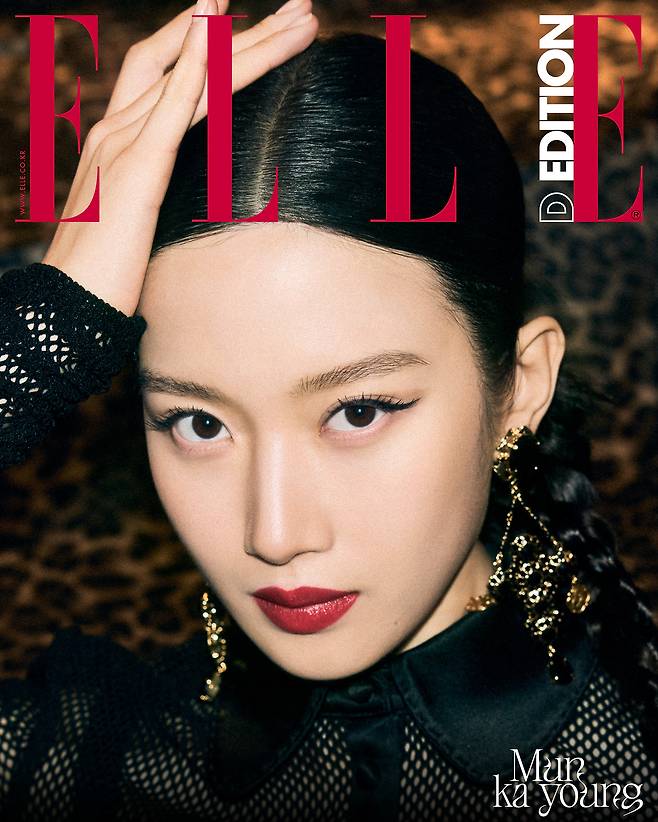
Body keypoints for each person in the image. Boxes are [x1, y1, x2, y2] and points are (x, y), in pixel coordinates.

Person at [1, 0, 657, 818]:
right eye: (199, 424)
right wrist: (45, 327)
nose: (275, 535)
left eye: (358, 413)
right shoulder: (77, 760)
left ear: (520, 387)